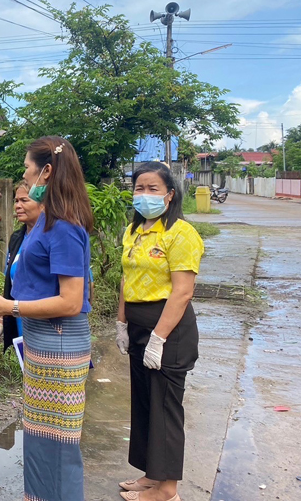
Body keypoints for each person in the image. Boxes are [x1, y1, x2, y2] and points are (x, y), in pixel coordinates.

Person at [0, 137, 93, 501]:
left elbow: (72, 301)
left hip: (61, 345)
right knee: (41, 437)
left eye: (28, 169)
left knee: (58, 445)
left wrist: (9, 308)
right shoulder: (43, 226)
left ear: (46, 171)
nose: (25, 175)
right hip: (43, 343)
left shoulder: (64, 228)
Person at [115, 162, 203, 501]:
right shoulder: (134, 231)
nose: (144, 194)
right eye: (139, 188)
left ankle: (167, 490)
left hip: (169, 328)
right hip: (138, 324)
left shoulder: (181, 234)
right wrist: (122, 322)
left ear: (169, 195)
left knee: (165, 405)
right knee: (145, 401)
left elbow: (182, 291)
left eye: (153, 189)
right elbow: (127, 280)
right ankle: (152, 475)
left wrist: (159, 338)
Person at [0, 182, 42, 352]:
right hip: (21, 323)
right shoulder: (17, 238)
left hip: (47, 327)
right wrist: (3, 320)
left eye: (24, 200)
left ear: (43, 203)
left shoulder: (53, 238)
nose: (18, 206)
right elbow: (11, 284)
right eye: (16, 201)